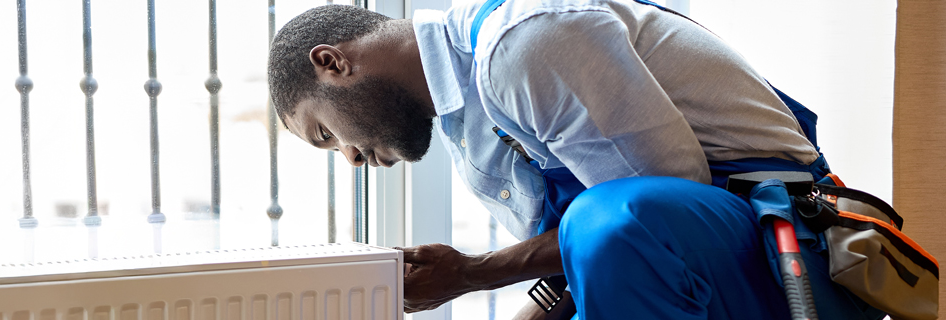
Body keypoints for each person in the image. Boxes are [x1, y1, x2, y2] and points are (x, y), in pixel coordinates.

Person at [267, 1, 886, 319]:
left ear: (333, 62)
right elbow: (576, 260)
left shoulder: (523, 42)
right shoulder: (467, 121)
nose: (348, 157)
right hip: (702, 262)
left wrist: (475, 272)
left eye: (325, 133)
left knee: (612, 216)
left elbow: (648, 210)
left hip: (789, 258)